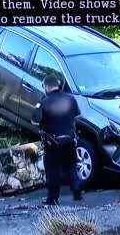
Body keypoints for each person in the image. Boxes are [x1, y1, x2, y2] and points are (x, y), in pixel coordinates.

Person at [31, 75, 83, 205]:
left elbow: (34, 121)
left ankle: (52, 199)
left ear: (47, 87)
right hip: (70, 140)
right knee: (71, 166)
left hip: (52, 142)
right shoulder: (70, 99)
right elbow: (78, 114)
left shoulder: (44, 102)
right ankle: (76, 189)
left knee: (52, 170)